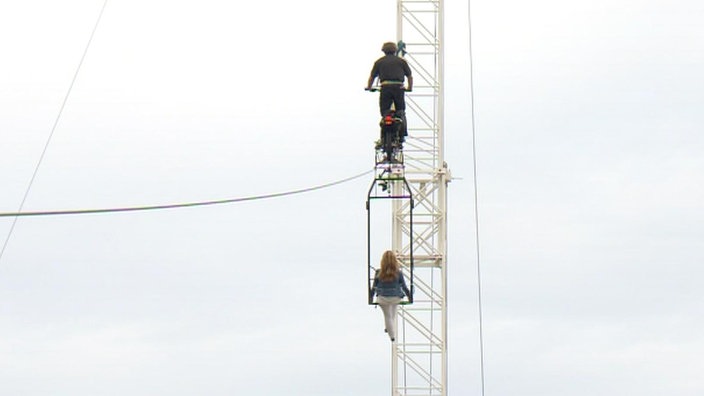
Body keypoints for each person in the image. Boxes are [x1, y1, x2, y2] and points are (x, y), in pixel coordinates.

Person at [366, 42, 413, 138]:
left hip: (385, 87)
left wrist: (369, 87)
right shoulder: (401, 61)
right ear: (395, 50)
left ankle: (384, 135)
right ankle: (403, 133)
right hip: (398, 88)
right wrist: (409, 88)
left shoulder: (379, 62)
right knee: (400, 110)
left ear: (383, 51)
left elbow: (372, 77)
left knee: (385, 111)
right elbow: (409, 76)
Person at [370, 250, 411, 342]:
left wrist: (371, 297)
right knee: (391, 314)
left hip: (382, 298)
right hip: (395, 298)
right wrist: (409, 296)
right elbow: (404, 287)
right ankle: (391, 333)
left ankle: (391, 334)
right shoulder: (398, 273)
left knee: (387, 315)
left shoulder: (378, 272)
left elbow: (374, 287)